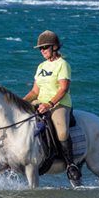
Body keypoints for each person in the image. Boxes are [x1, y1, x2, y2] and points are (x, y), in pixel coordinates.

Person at [23, 30, 81, 186]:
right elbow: (35, 91)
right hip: (40, 101)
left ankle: (71, 165)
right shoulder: (41, 66)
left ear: (54, 47)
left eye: (45, 47)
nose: (42, 51)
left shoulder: (63, 64)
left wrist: (49, 104)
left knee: (62, 133)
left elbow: (63, 89)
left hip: (59, 104)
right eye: (40, 49)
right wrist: (21, 102)